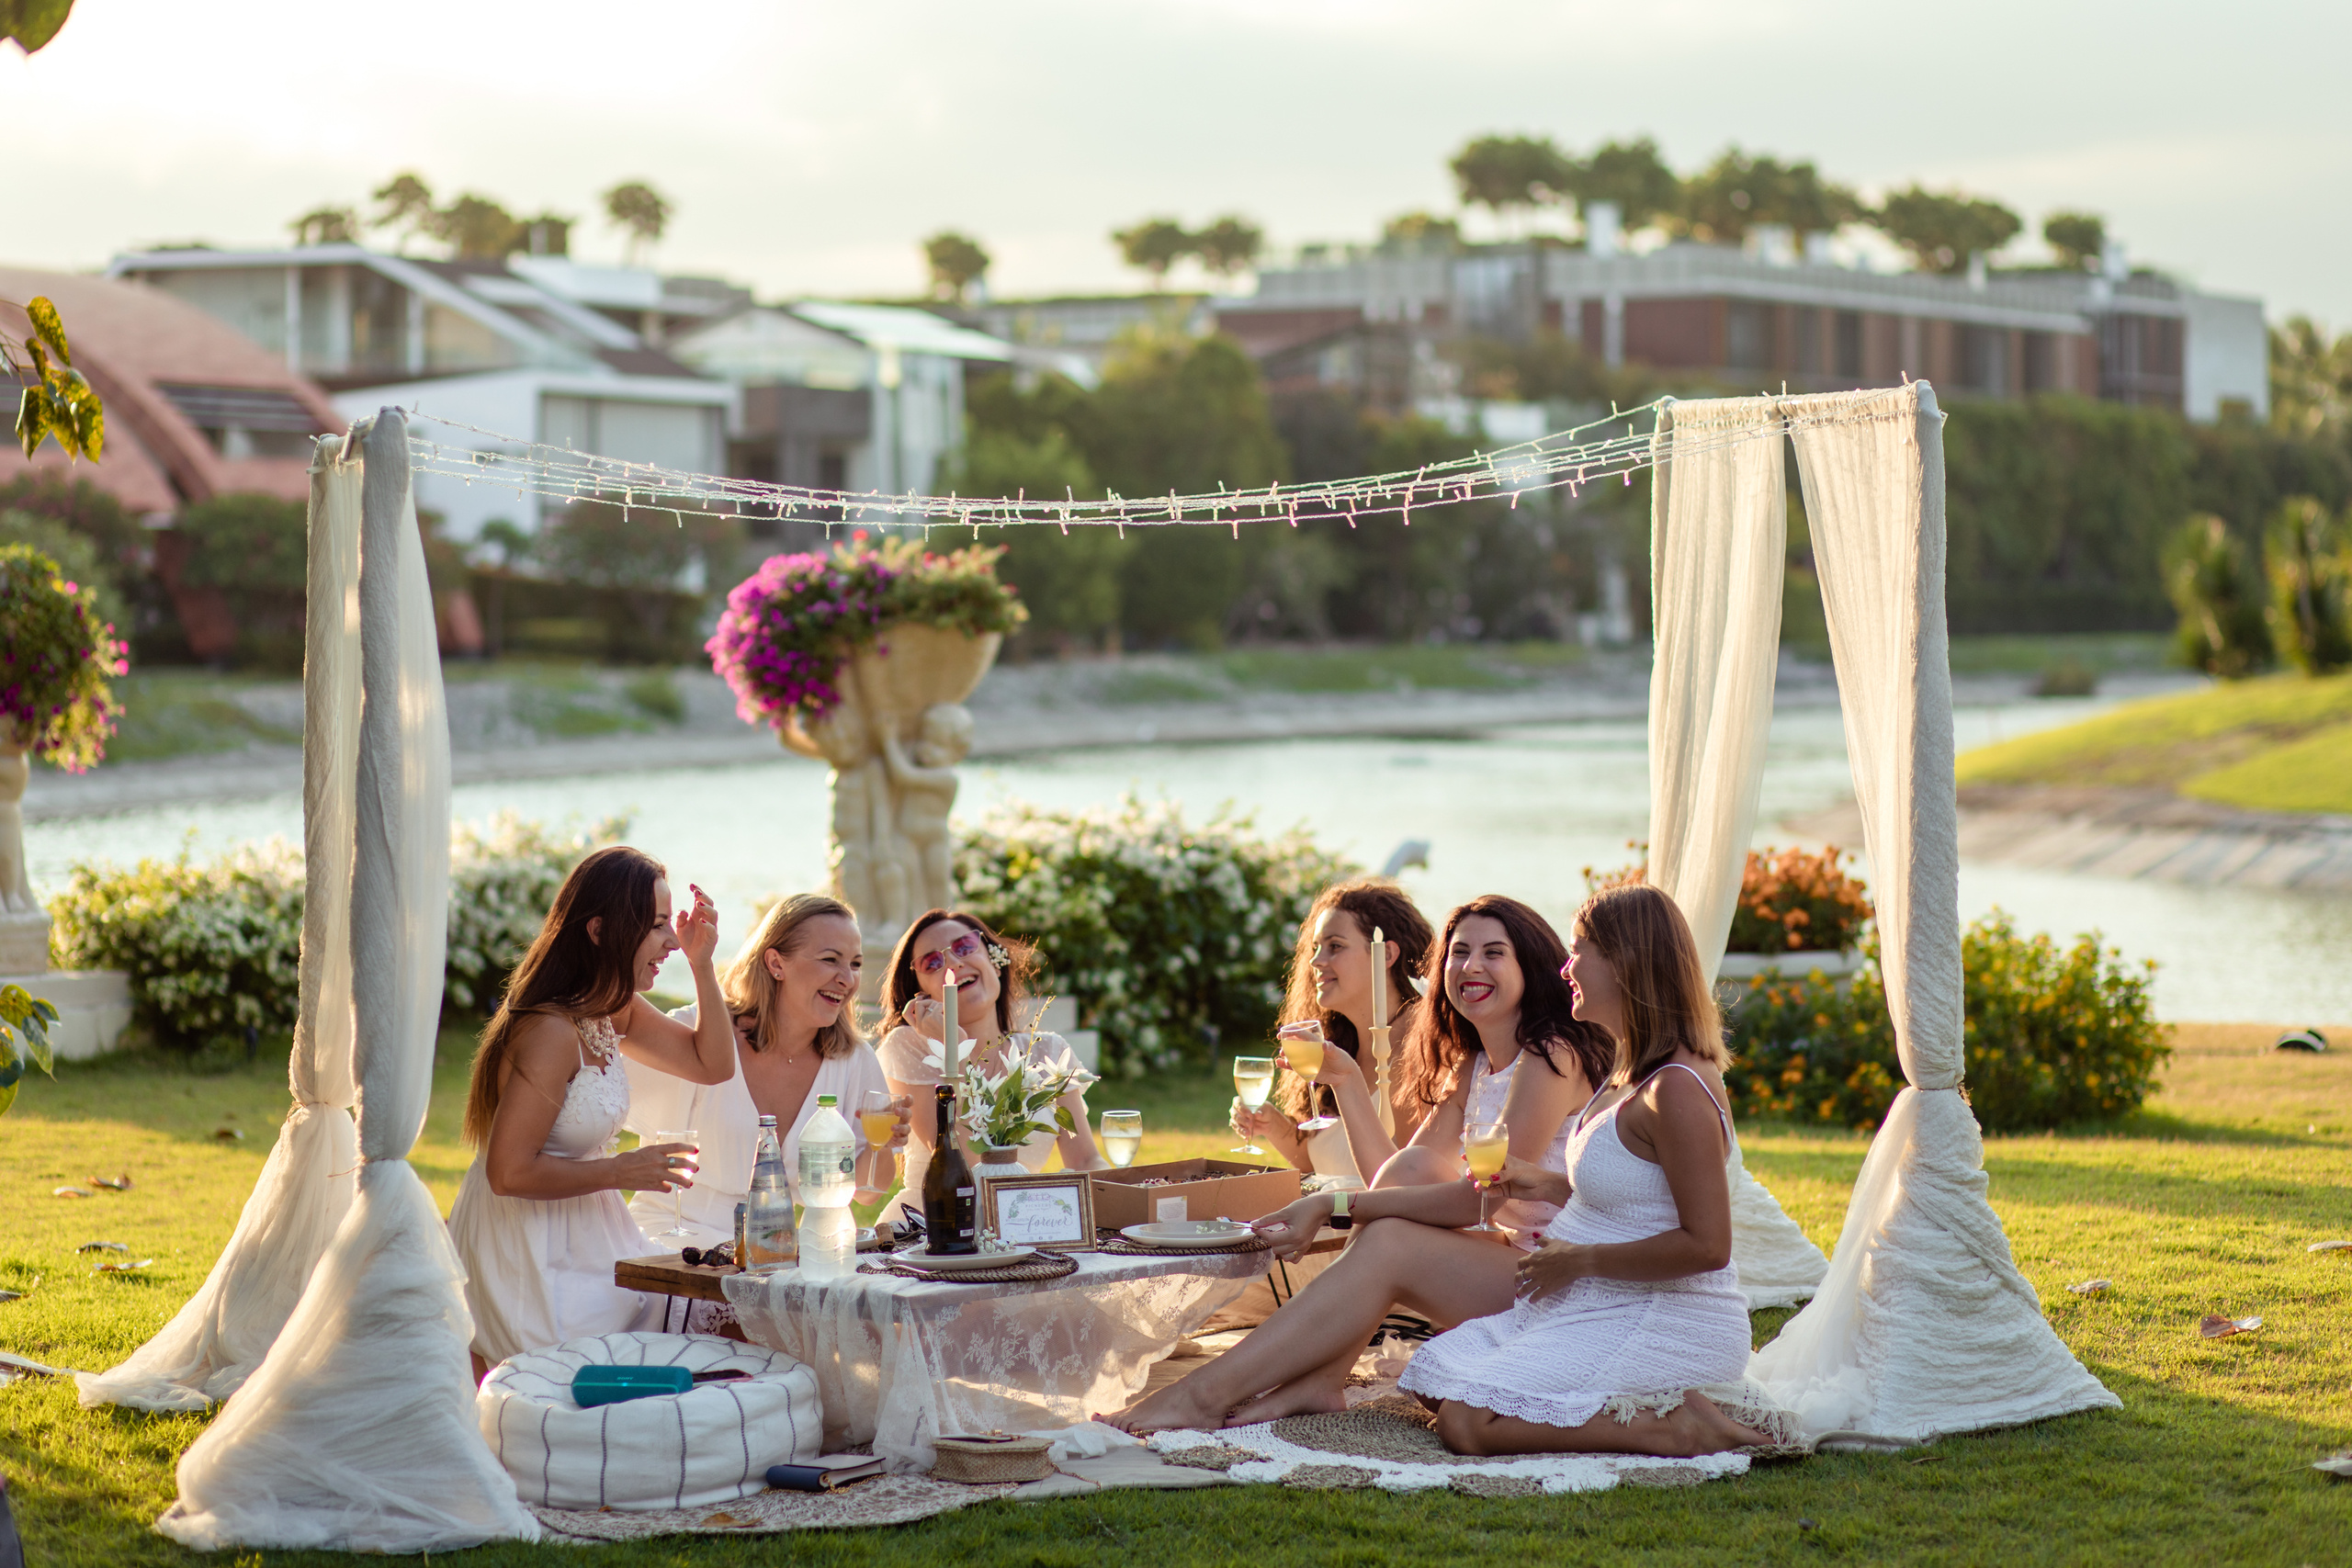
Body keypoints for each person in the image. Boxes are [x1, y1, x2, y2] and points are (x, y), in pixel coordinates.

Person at [1102, 894, 1611, 1433]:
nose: (1471, 968)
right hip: (1513, 1258)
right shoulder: (1475, 1063)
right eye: (1459, 953)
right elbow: (1397, 1176)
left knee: (1390, 1238)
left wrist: (1331, 1205)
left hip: (1567, 1277)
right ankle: (1322, 1379)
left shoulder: (1550, 1055)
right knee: (1410, 1173)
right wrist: (1345, 1082)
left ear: (1529, 965)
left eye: (1493, 953)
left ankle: (1203, 1396)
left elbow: (1478, 1197)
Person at [1395, 882, 1772, 1457]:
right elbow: (1642, 1193)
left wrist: (1581, 1260)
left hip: (1665, 1314)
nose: (1565, 968)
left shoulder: (1678, 1087)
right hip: (1599, 1297)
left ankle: (1674, 1426)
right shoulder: (1629, 1069)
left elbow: (1709, 1245)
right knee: (1433, 1376)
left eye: (1579, 952)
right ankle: (1649, 1406)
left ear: (1624, 965)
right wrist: (1544, 1182)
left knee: (1465, 1424)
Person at [447, 846, 737, 1372]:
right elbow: (507, 1172)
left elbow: (712, 1064)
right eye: (656, 926)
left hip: (594, 1233)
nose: (671, 940)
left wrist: (702, 964)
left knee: (719, 1312)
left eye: (670, 924)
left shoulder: (611, 1008)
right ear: (599, 930)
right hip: (528, 1248)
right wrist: (621, 1170)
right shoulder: (550, 1031)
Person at [623, 893, 910, 1251]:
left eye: (855, 964)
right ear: (776, 963)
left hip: (774, 1250)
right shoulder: (701, 1031)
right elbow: (597, 1088)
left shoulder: (853, 1060)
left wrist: (886, 1142)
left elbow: (868, 1194)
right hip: (673, 1235)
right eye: (830, 960)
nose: (846, 979)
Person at [876, 908, 1105, 1222]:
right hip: (931, 1225)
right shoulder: (908, 1047)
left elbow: (1086, 1160)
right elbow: (965, 1163)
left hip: (1022, 1224)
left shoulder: (1048, 1050)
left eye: (964, 947)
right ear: (922, 993)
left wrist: (1130, 1198)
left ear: (995, 962)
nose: (954, 964)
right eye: (932, 962)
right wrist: (952, 1047)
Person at [1231, 877, 1434, 1190]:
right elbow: (1330, 1165)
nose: (1315, 961)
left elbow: (1404, 1179)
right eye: (1315, 948)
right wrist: (1274, 1127)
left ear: (1387, 955)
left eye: (1335, 946)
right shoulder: (1340, 1045)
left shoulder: (1424, 1046)